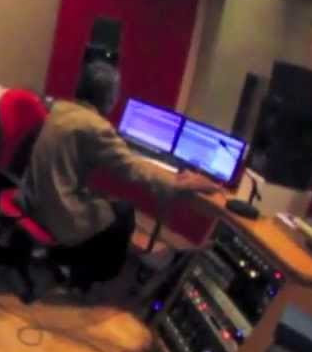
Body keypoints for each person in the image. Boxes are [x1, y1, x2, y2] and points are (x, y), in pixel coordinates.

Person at [19, 61, 217, 291]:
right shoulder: (95, 127)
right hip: (55, 209)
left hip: (31, 197)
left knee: (105, 201)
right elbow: (133, 169)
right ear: (108, 98)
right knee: (124, 213)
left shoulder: (60, 108)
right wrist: (181, 182)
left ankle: (70, 258)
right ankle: (83, 274)